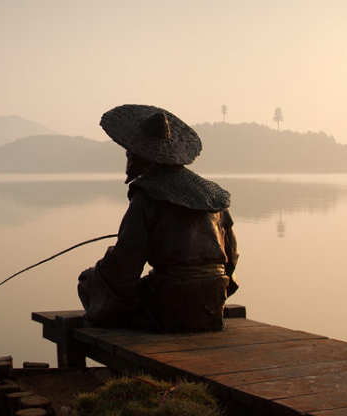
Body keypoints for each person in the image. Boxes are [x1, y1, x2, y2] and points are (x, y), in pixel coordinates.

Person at [77, 104, 238, 333]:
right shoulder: (212, 196)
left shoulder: (147, 196)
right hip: (213, 301)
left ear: (138, 155)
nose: (128, 157)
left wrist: (95, 276)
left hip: (169, 305)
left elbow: (124, 268)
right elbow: (231, 260)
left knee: (87, 284)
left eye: (129, 152)